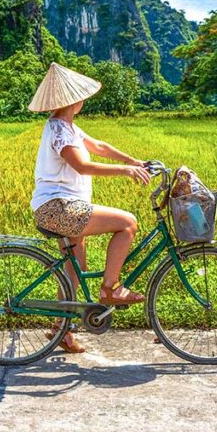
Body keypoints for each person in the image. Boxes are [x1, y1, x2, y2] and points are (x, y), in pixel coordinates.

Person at [28, 62, 151, 353]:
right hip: (59, 209)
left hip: (63, 207)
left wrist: (133, 161)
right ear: (73, 100)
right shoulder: (59, 130)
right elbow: (82, 166)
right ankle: (111, 288)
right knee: (127, 223)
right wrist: (124, 172)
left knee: (74, 270)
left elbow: (100, 146)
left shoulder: (68, 126)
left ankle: (62, 331)